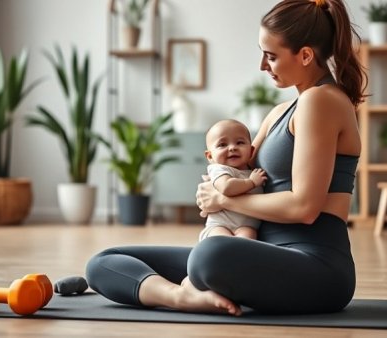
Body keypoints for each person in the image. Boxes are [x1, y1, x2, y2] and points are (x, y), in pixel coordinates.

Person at [86, 0, 365, 316]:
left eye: (271, 56)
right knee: (105, 261)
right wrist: (216, 189)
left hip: (316, 266)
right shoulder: (280, 112)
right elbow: (234, 172)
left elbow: (305, 207)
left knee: (209, 255)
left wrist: (225, 201)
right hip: (253, 249)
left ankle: (191, 286)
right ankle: (181, 297)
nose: (263, 65)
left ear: (304, 55)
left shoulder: (322, 101)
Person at [200, 119, 267, 241]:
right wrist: (251, 182)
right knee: (223, 242)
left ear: (251, 151)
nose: (232, 148)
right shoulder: (219, 169)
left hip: (246, 227)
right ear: (210, 156)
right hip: (219, 226)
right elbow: (226, 187)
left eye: (240, 143)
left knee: (247, 239)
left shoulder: (253, 172)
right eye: (222, 145)